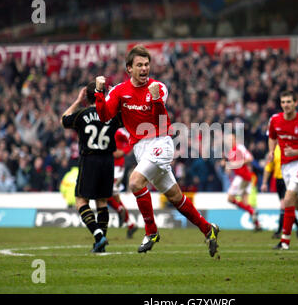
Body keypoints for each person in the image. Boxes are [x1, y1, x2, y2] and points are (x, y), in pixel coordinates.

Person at [94, 45, 219, 257]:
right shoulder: (118, 91)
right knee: (175, 197)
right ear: (129, 69)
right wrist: (98, 92)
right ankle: (208, 229)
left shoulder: (158, 87)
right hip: (140, 149)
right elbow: (104, 116)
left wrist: (157, 100)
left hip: (161, 142)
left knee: (135, 182)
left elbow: (162, 120)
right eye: (139, 65)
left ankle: (151, 231)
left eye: (147, 64)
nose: (144, 69)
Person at [61, 82, 122, 253]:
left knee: (81, 201)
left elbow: (63, 120)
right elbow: (125, 118)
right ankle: (100, 243)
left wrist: (77, 101)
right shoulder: (112, 114)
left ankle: (98, 236)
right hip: (108, 161)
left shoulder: (82, 113)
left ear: (86, 97)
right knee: (102, 202)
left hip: (90, 160)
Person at [265, 91, 298, 250]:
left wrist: (296, 152)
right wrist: (270, 151)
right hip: (285, 165)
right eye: (283, 102)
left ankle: (284, 242)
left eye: (289, 101)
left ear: (295, 103)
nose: (286, 104)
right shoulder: (274, 120)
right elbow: (272, 137)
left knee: (287, 200)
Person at [262, 144, 298, 239]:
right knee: (285, 207)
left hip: (288, 179)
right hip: (278, 181)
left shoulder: (289, 147)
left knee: (284, 205)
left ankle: (279, 231)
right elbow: (269, 166)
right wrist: (264, 182)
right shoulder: (274, 149)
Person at [225, 133, 261, 232]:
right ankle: (257, 225)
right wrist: (228, 168)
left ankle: (251, 211)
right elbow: (231, 166)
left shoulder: (240, 148)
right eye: (228, 140)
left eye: (231, 139)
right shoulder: (230, 152)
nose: (229, 141)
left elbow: (250, 158)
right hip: (243, 178)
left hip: (242, 177)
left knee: (230, 198)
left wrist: (236, 164)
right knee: (245, 202)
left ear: (235, 139)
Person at [106, 127, 138, 239]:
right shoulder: (110, 128)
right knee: (114, 198)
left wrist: (123, 151)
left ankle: (120, 211)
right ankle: (130, 224)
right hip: (109, 165)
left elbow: (132, 139)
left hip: (117, 167)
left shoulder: (119, 130)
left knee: (105, 195)